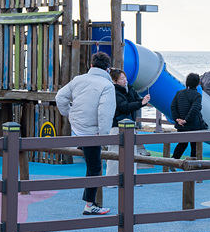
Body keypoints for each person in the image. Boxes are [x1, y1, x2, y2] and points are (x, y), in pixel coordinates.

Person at [56, 51, 116, 215]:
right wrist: (103, 136)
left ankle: (90, 201)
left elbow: (60, 96)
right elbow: (105, 113)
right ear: (108, 69)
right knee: (95, 166)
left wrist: (67, 114)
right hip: (93, 131)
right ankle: (90, 205)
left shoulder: (78, 79)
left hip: (77, 127)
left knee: (91, 162)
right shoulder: (107, 85)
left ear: (90, 65)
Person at [105, 69, 151, 178]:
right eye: (121, 78)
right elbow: (124, 107)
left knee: (132, 153)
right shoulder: (113, 91)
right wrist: (141, 103)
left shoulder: (129, 88)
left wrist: (143, 101)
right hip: (117, 125)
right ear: (114, 80)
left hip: (130, 125)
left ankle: (132, 177)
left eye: (125, 77)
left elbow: (136, 100)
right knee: (115, 154)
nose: (125, 80)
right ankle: (111, 178)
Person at [170, 72, 207, 161]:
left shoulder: (179, 93)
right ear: (197, 84)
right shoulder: (197, 95)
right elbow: (194, 110)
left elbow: (173, 106)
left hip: (181, 125)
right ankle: (192, 165)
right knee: (194, 145)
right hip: (194, 125)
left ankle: (173, 161)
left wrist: (177, 119)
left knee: (182, 144)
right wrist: (186, 120)